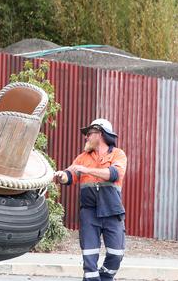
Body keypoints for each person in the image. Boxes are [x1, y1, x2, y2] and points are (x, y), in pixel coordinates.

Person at [55, 119, 127, 281]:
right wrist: (62, 176)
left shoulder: (118, 154)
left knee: (116, 254)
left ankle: (105, 278)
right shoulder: (82, 157)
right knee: (89, 257)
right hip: (89, 212)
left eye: (89, 134)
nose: (86, 137)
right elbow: (70, 175)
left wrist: (87, 170)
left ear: (100, 134)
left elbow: (114, 174)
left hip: (112, 211)